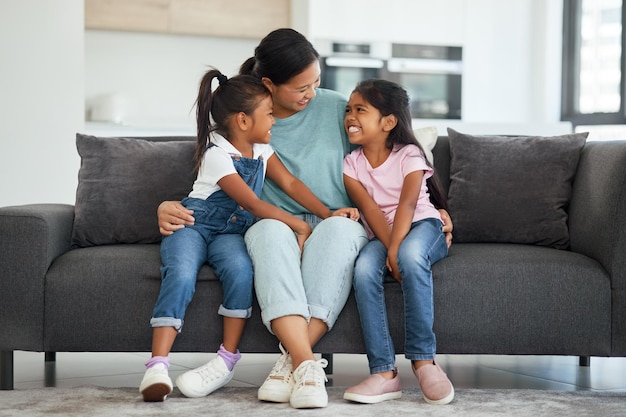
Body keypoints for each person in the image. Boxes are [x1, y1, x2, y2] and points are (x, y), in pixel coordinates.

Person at [157, 28, 452, 409]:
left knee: (338, 229)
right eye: (301, 88)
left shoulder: (337, 109)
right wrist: (165, 206)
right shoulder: (246, 121)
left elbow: (391, 153)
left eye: (316, 83)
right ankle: (307, 363)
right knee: (268, 233)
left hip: (339, 220)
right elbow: (211, 181)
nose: (311, 95)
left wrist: (436, 206)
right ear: (269, 85)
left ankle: (290, 363)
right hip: (275, 224)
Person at [139, 68, 358, 402]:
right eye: (268, 114)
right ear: (243, 121)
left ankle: (227, 359)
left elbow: (291, 184)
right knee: (181, 274)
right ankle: (157, 365)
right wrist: (299, 225)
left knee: (241, 273)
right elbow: (252, 203)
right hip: (194, 225)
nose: (274, 121)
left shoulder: (261, 150)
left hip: (229, 233)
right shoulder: (216, 153)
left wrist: (327, 214)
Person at [342, 79, 454, 405]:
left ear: (388, 122)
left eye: (360, 110)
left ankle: (424, 360)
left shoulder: (409, 155)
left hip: (422, 225)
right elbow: (371, 210)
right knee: (363, 270)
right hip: (383, 234)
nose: (350, 116)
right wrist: (389, 247)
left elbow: (407, 205)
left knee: (411, 256)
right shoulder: (352, 164)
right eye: (349, 109)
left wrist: (395, 250)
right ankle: (384, 372)